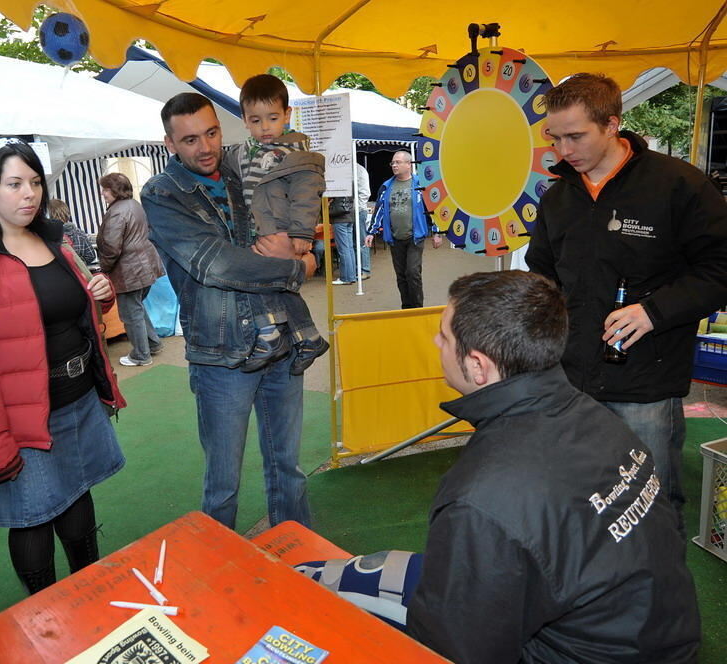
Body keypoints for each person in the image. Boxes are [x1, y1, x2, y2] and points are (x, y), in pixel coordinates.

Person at [298, 271, 701, 663]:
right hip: (660, 635)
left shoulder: (481, 496)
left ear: (477, 366)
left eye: (444, 336)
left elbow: (460, 649)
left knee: (327, 597)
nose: (436, 342)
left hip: (575, 649)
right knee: (378, 570)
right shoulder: (595, 416)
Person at [526, 73, 727, 535]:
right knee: (582, 499)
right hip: (571, 378)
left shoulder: (677, 185)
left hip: (646, 382)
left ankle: (658, 599)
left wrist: (653, 312)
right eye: (554, 137)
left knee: (650, 504)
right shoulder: (558, 198)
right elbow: (543, 278)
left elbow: (720, 268)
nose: (563, 150)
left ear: (613, 123)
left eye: (575, 136)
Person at [0, 136, 126, 595]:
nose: (29, 194)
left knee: (79, 500)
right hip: (18, 417)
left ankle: (89, 595)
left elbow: (76, 310)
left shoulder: (57, 241)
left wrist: (102, 293)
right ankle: (45, 615)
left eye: (35, 182)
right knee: (33, 519)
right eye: (14, 183)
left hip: (77, 402)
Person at [142, 93, 313, 530]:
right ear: (169, 143)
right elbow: (215, 264)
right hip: (222, 354)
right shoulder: (162, 194)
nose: (205, 147)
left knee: (289, 471)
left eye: (212, 133)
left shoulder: (244, 170)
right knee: (223, 486)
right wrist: (295, 267)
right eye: (190, 139)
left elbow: (303, 208)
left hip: (280, 334)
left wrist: (305, 243)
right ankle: (220, 583)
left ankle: (301, 568)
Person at [222, 73, 329, 374]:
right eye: (255, 120)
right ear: (244, 120)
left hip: (281, 230)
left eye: (272, 118)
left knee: (261, 284)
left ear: (287, 115)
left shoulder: (294, 154)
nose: (265, 127)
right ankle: (308, 337)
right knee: (278, 287)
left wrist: (300, 233)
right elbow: (223, 166)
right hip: (259, 231)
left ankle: (270, 335)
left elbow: (306, 195)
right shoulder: (242, 153)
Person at [96, 172, 166, 367]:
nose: (103, 193)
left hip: (130, 270)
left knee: (130, 313)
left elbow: (111, 246)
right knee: (137, 308)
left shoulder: (117, 211)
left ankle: (141, 355)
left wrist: (104, 268)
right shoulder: (134, 205)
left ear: (115, 190)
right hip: (146, 265)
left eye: (105, 189)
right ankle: (152, 344)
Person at [366, 150, 441, 307]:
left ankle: (417, 308)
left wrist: (437, 232)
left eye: (398, 162)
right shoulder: (386, 186)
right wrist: (371, 232)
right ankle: (406, 308)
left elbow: (433, 209)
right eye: (393, 163)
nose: (394, 165)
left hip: (415, 236)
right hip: (394, 237)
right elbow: (379, 210)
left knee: (412, 273)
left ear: (409, 164)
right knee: (401, 275)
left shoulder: (420, 185)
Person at [46, 198, 98, 266]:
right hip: (76, 274)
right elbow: (91, 255)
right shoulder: (79, 233)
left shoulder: (46, 236)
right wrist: (79, 265)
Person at [355, 161, 372, 279]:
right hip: (353, 210)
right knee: (355, 242)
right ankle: (358, 269)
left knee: (362, 240)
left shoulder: (359, 170)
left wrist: (358, 206)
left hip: (359, 210)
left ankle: (365, 270)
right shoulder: (356, 169)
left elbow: (365, 192)